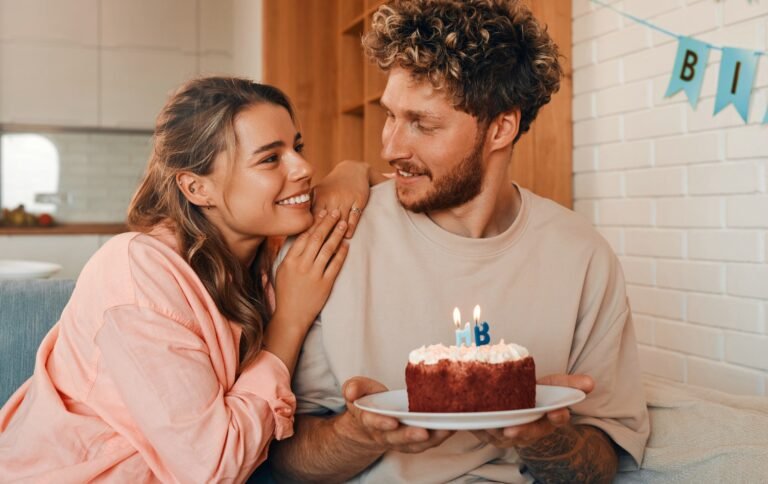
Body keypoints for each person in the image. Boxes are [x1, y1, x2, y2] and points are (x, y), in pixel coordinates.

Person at [269, 1, 650, 482]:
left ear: (501, 128)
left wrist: (541, 438)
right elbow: (278, 458)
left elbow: (598, 459)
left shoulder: (582, 255)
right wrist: (359, 434)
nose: (390, 148)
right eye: (390, 116)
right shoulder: (334, 238)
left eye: (422, 124)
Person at [0, 77, 371, 482]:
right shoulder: (137, 273)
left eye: (297, 147)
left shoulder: (269, 254)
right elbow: (210, 470)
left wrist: (353, 170)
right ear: (196, 187)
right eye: (270, 159)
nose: (305, 168)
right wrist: (290, 320)